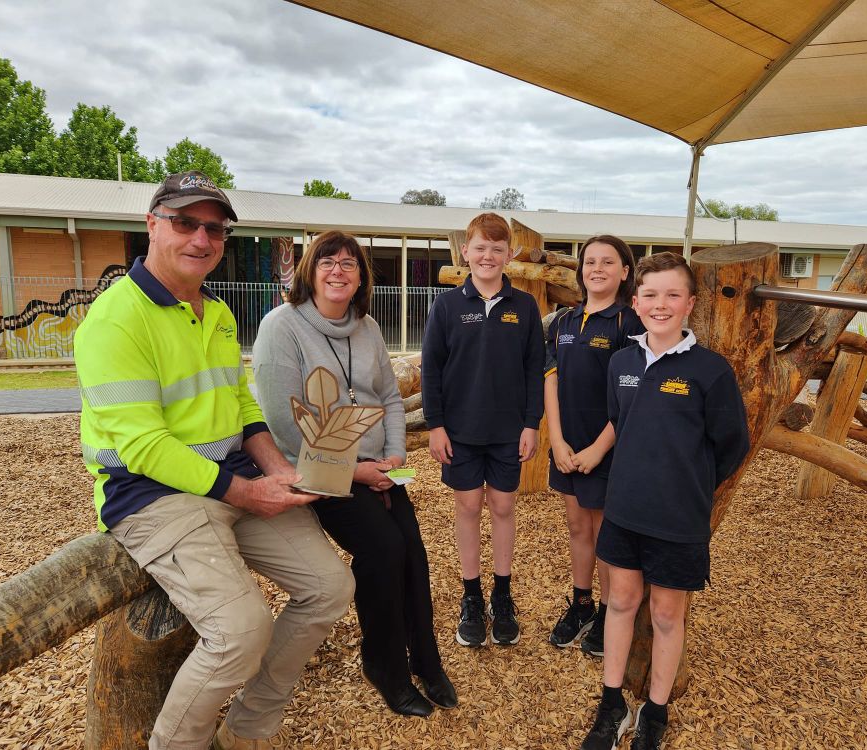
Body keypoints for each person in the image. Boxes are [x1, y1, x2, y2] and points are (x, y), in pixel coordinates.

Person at [74, 171, 354, 750]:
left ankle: (245, 733)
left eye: (215, 228)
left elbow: (242, 407)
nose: (202, 238)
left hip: (231, 477)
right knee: (240, 631)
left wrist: (277, 469)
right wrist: (249, 493)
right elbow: (143, 447)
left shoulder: (218, 312)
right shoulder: (113, 320)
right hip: (149, 493)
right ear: (151, 225)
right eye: (185, 222)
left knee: (330, 586)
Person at [252, 230, 456, 718]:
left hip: (375, 466)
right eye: (328, 262)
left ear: (362, 276)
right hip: (315, 469)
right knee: (382, 549)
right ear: (311, 272)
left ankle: (425, 659)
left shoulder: (365, 327)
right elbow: (283, 423)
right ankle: (385, 666)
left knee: (412, 548)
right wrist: (357, 472)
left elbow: (387, 396)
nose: (339, 270)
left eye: (349, 263)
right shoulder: (282, 328)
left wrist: (391, 458)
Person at [579, 252, 750, 750]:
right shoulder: (622, 363)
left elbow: (731, 445)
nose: (661, 304)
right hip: (625, 509)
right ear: (636, 302)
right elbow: (620, 425)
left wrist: (687, 485)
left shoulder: (710, 371)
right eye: (651, 295)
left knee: (668, 615)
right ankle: (612, 704)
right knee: (621, 602)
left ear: (690, 303)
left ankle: (655, 711)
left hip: (678, 519)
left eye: (673, 294)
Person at [421, 212, 544, 648]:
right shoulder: (447, 305)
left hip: (509, 432)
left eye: (497, 248)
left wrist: (532, 424)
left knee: (504, 508)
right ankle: (471, 596)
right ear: (465, 253)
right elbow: (431, 370)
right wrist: (436, 426)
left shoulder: (525, 307)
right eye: (480, 247)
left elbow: (535, 371)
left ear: (509, 255)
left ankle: (502, 594)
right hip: (461, 431)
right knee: (469, 507)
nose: (488, 255)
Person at [544, 235, 643, 657]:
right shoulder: (565, 320)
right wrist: (557, 439)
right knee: (577, 527)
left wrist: (599, 448)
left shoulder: (628, 324)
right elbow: (550, 379)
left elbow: (632, 396)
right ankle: (582, 603)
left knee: (605, 534)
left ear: (624, 272)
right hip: (568, 445)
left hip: (607, 448)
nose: (596, 268)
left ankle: (607, 612)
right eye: (589, 262)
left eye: (608, 262)